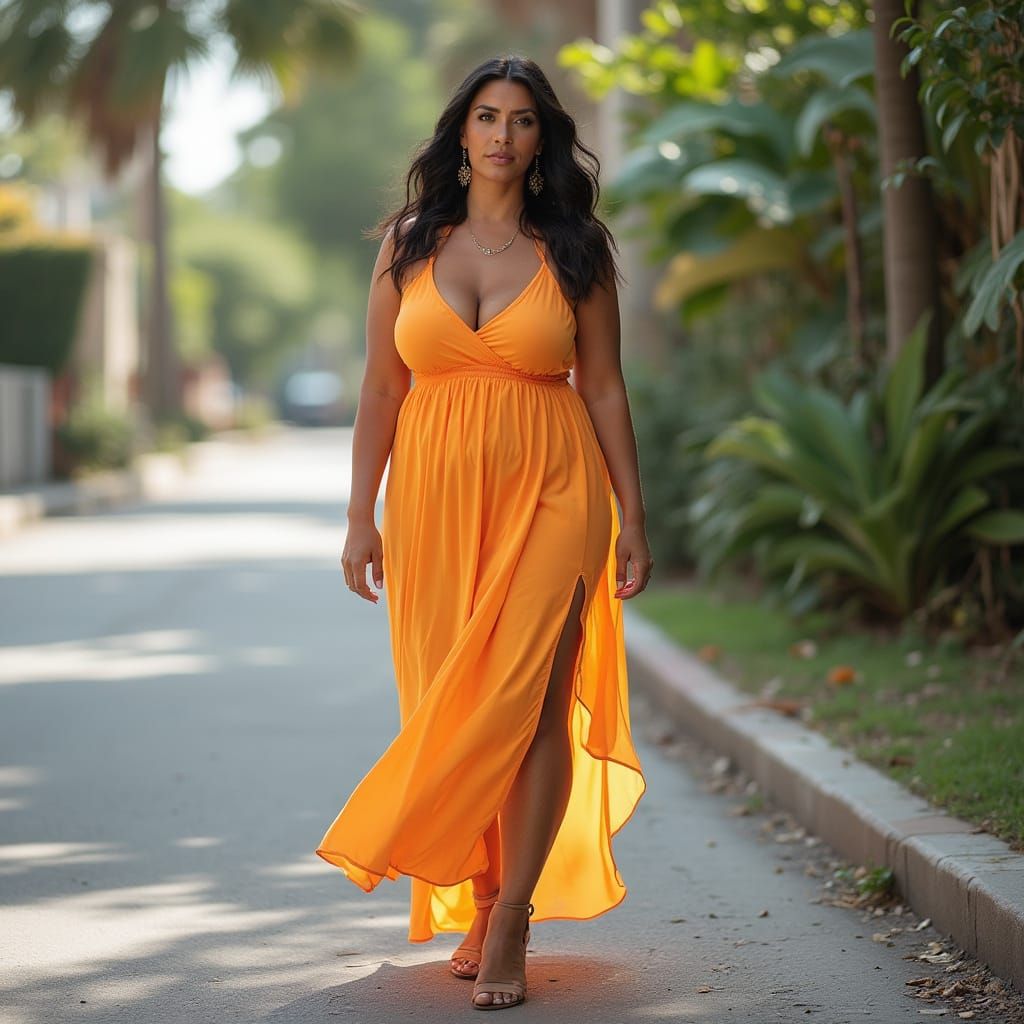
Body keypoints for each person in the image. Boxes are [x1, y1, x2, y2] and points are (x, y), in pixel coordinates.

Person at [316, 54, 651, 1011]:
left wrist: (634, 517)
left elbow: (606, 387)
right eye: (487, 117)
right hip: (432, 502)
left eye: (523, 121)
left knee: (534, 699)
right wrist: (358, 520)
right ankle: (483, 891)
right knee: (458, 702)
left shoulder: (577, 247)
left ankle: (512, 918)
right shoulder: (408, 244)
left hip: (555, 487)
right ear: (460, 133)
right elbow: (383, 387)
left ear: (543, 139)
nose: (503, 135)